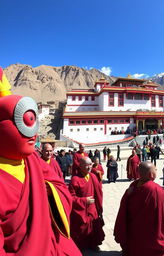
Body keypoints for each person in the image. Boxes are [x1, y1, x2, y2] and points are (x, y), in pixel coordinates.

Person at [0, 68, 81, 255]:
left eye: (32, 121)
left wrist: (46, 191)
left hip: (50, 243)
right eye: (25, 121)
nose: (33, 133)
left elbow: (59, 186)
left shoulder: (32, 159)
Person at [114, 162, 164, 256]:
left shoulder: (134, 185)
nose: (156, 170)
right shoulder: (157, 190)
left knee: (136, 243)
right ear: (151, 174)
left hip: (134, 227)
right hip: (150, 230)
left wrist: (127, 194)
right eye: (155, 169)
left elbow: (124, 205)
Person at [69, 157, 105, 252]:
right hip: (81, 210)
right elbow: (70, 198)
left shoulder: (93, 176)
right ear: (80, 166)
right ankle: (81, 247)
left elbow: (98, 193)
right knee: (81, 230)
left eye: (90, 164)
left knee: (94, 227)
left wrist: (99, 207)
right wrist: (84, 200)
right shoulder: (75, 179)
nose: (89, 167)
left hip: (92, 208)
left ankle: (93, 245)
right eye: (86, 165)